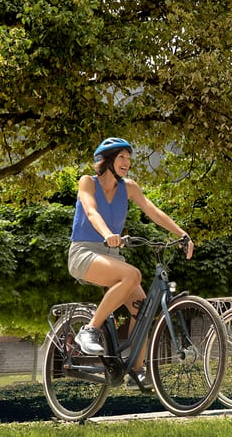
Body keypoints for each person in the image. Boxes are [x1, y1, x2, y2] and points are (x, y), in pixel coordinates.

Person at [67, 137, 193, 391]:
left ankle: (135, 369)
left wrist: (182, 234)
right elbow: (91, 212)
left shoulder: (129, 187)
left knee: (143, 311)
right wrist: (106, 234)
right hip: (84, 252)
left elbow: (153, 211)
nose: (128, 162)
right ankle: (89, 330)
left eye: (129, 157)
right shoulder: (87, 182)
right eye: (122, 157)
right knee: (132, 275)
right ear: (107, 160)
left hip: (112, 256)